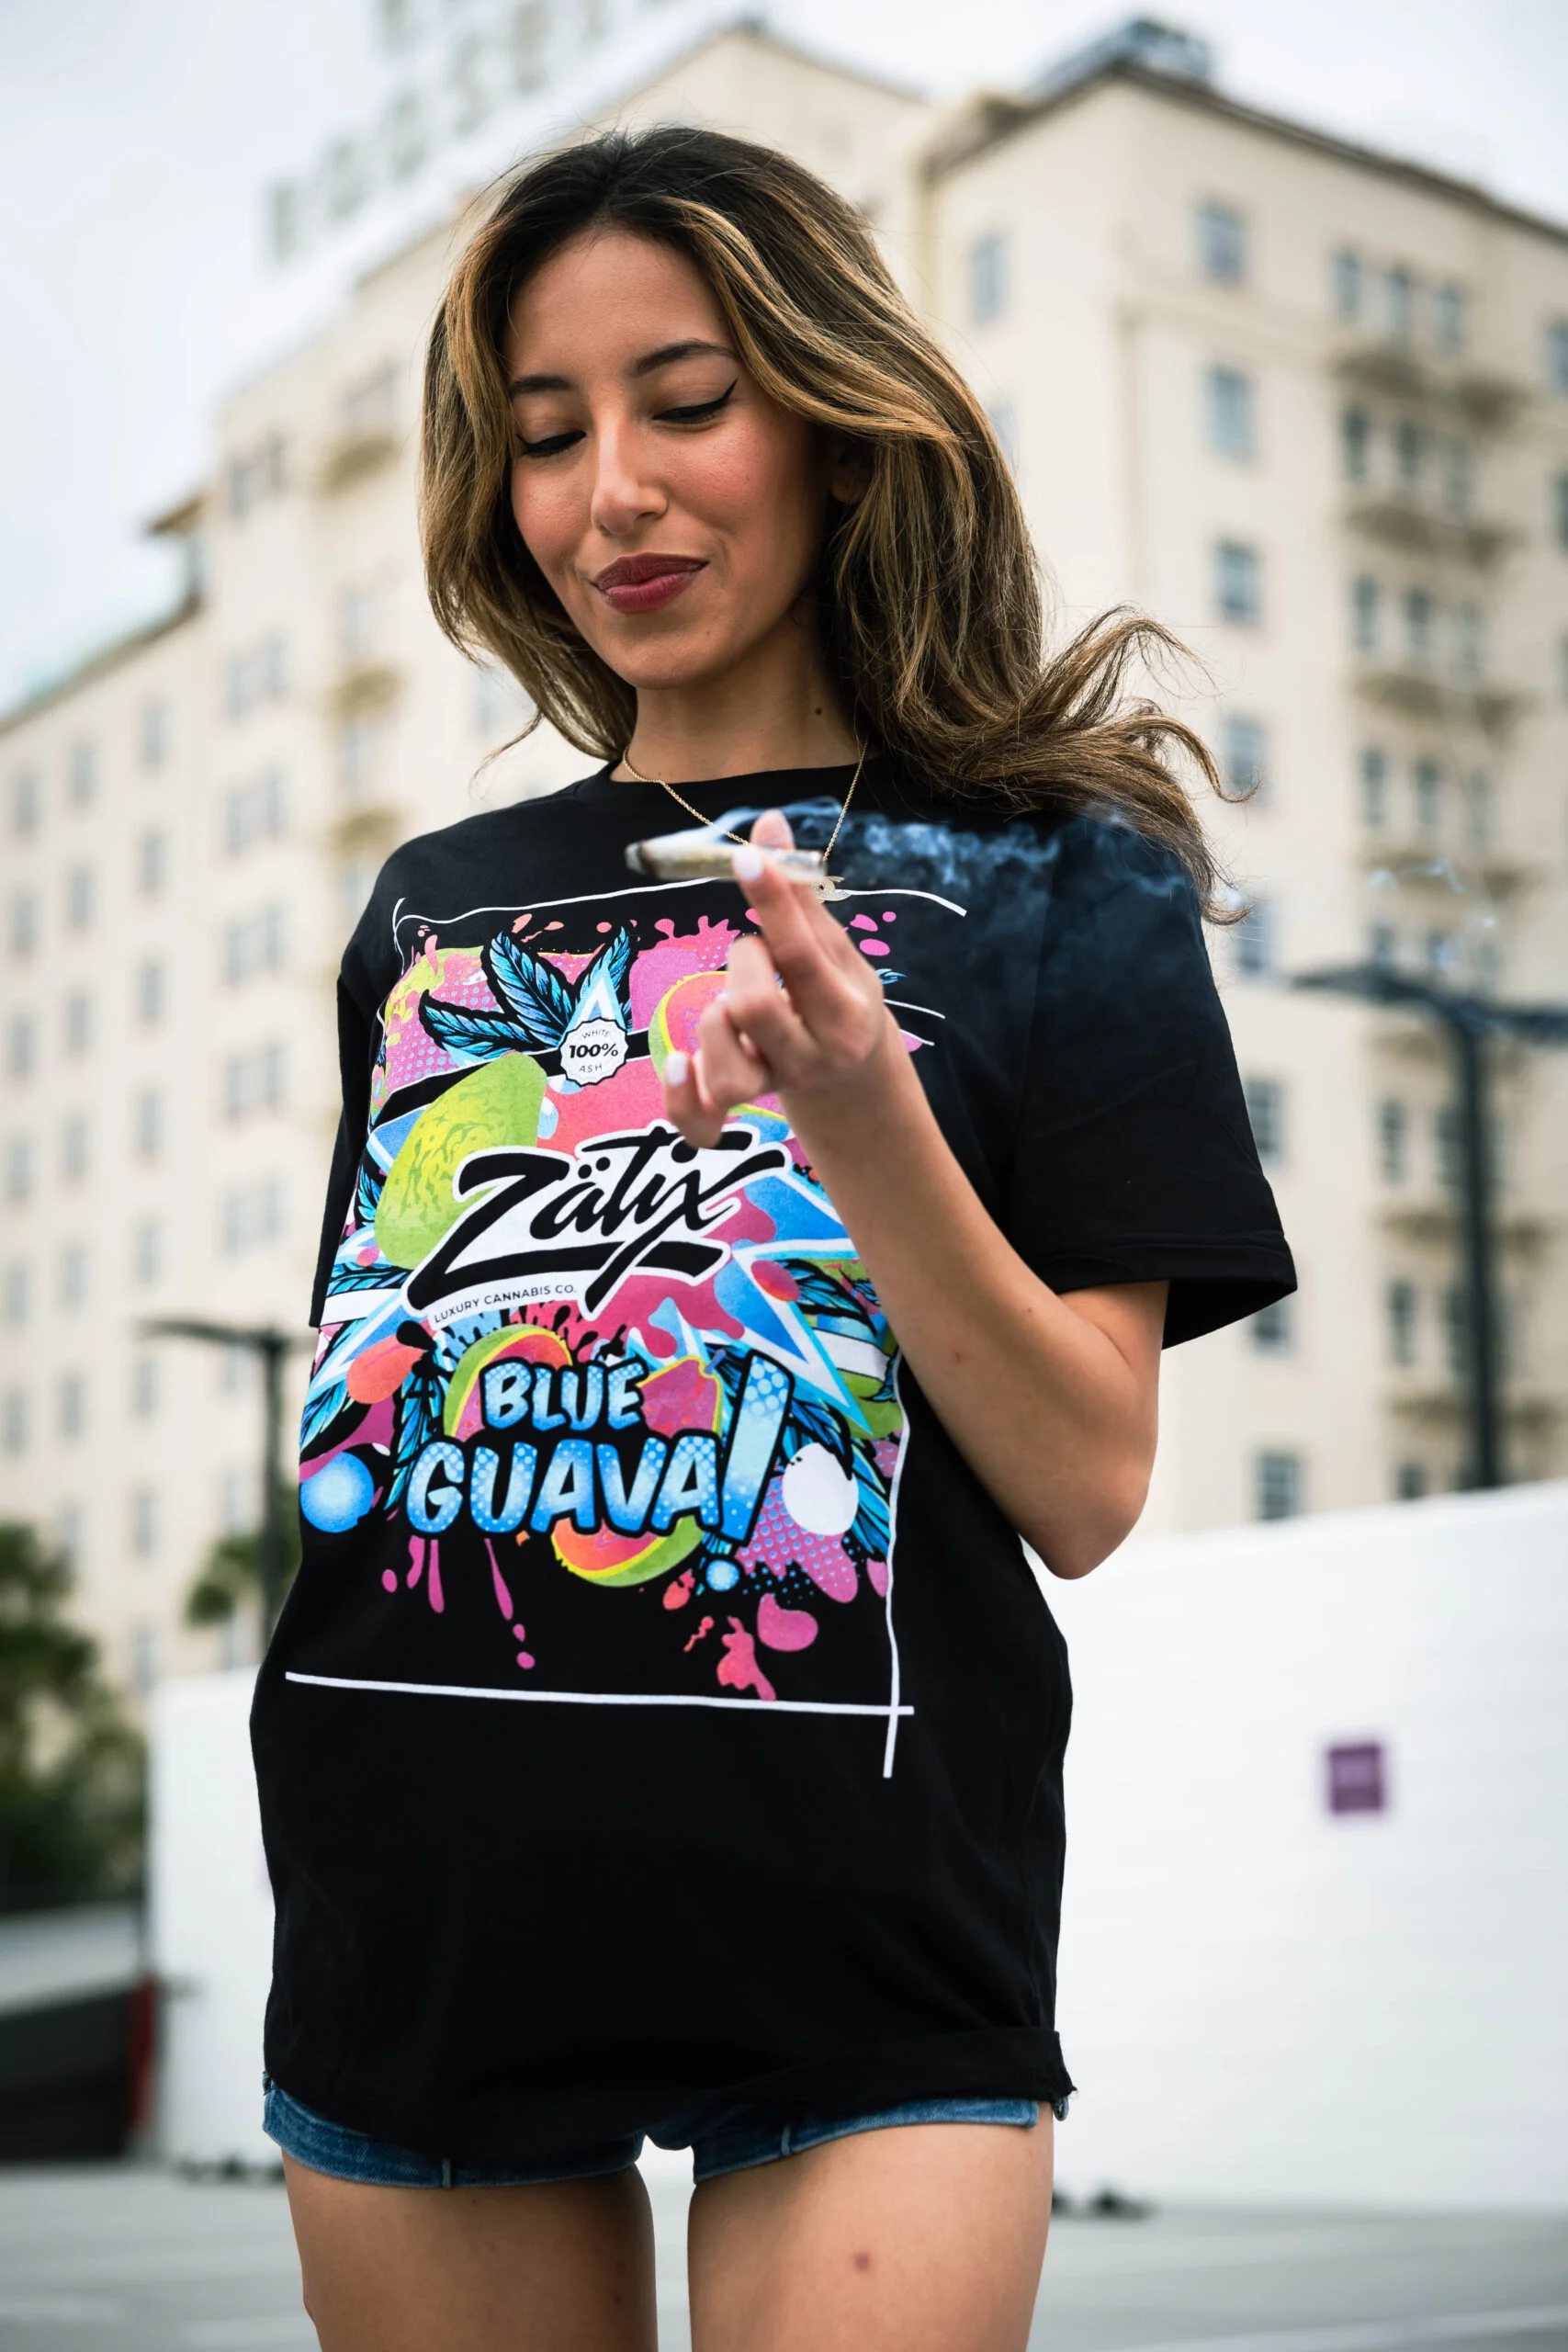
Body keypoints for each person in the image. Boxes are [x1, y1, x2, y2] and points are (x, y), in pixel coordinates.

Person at [251, 126, 1294, 2352]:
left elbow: (1088, 1480)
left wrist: (861, 1113)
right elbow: (375, 1416)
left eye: (687, 400)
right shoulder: (431, 909)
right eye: (547, 433)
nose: (610, 491)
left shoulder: (1059, 881)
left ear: (828, 416)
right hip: (418, 1899)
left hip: (870, 1934)